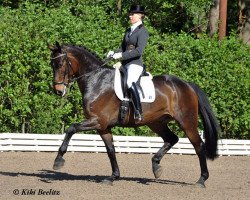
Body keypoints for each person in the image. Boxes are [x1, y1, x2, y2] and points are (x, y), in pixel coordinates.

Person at [107, 5, 149, 121]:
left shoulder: (143, 31)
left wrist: (121, 55)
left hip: (135, 64)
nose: (130, 16)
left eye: (132, 14)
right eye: (130, 14)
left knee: (130, 82)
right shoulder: (128, 30)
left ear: (140, 16)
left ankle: (138, 111)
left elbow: (139, 51)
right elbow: (122, 48)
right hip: (125, 64)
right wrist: (113, 52)